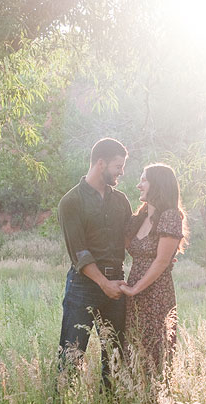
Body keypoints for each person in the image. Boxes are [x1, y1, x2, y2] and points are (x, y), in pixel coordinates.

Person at [57, 137, 132, 388]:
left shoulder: (121, 200)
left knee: (115, 357)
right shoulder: (71, 202)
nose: (121, 172)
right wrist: (103, 283)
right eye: (118, 166)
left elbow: (132, 238)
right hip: (83, 286)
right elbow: (79, 253)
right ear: (101, 163)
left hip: (117, 284)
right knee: (71, 354)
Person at [121, 164, 188, 376]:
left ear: (156, 184)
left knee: (155, 352)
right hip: (134, 291)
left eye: (144, 180)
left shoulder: (170, 216)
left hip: (156, 293)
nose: (138, 185)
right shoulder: (140, 217)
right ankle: (134, 400)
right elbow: (119, 245)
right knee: (133, 348)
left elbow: (160, 262)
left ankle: (157, 402)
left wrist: (134, 289)